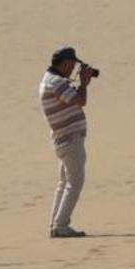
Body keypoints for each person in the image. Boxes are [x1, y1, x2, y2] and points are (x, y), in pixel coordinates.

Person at [40, 47, 97, 239]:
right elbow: (80, 100)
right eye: (72, 65)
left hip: (64, 139)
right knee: (75, 182)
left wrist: (80, 82)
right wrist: (84, 84)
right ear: (64, 63)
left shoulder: (50, 80)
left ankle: (55, 224)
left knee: (64, 183)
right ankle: (61, 225)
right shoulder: (56, 83)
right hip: (70, 139)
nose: (73, 69)